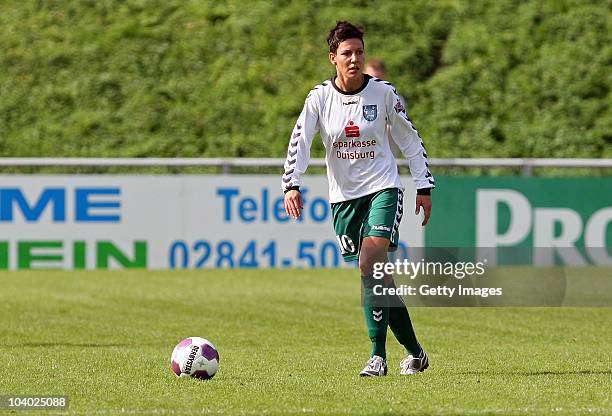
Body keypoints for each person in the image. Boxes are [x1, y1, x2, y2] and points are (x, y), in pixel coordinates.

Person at [282, 21, 434, 377]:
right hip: (344, 199)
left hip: (383, 188)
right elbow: (299, 141)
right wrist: (292, 183)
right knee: (379, 278)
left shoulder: (382, 93)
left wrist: (423, 185)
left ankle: (376, 356)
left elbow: (410, 139)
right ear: (333, 58)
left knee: (370, 264)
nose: (354, 59)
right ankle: (415, 352)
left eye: (359, 52)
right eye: (347, 53)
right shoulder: (318, 98)